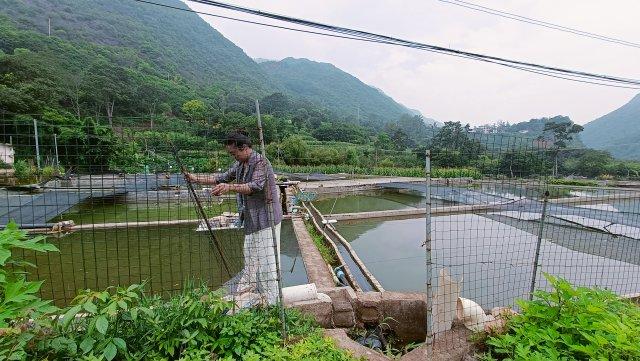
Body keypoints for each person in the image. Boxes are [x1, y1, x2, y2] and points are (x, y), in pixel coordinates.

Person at [187, 130, 283, 304]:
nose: (233, 156)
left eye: (234, 153)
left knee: (268, 262)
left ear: (244, 147)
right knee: (250, 257)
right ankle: (248, 292)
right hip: (251, 220)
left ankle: (273, 302)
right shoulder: (240, 165)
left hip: (267, 219)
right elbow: (221, 178)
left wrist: (229, 188)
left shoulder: (261, 162)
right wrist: (195, 178)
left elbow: (255, 186)